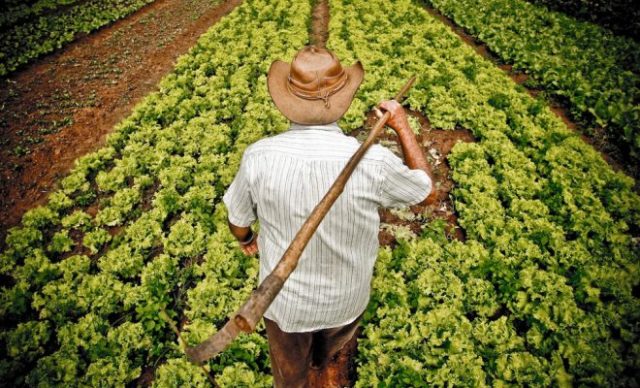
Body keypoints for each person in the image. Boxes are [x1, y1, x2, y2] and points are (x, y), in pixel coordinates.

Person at [222, 45, 435, 387]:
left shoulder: (257, 157)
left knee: (290, 374)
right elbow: (426, 190)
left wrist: (247, 239)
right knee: (331, 347)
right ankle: (324, 364)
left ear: (287, 99)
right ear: (344, 99)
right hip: (345, 301)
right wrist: (402, 127)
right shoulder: (374, 161)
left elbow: (238, 220)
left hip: (285, 307)